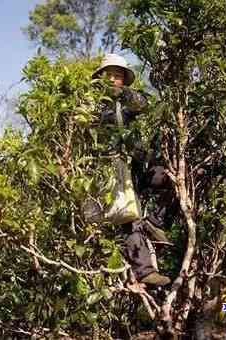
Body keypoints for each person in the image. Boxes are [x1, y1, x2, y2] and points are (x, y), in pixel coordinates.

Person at [91, 54, 175, 286]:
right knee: (128, 219)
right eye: (108, 75)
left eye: (117, 76)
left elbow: (145, 105)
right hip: (114, 169)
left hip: (137, 165)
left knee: (171, 180)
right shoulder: (92, 106)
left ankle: (155, 222)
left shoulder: (129, 101)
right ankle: (145, 271)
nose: (113, 80)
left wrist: (124, 94)